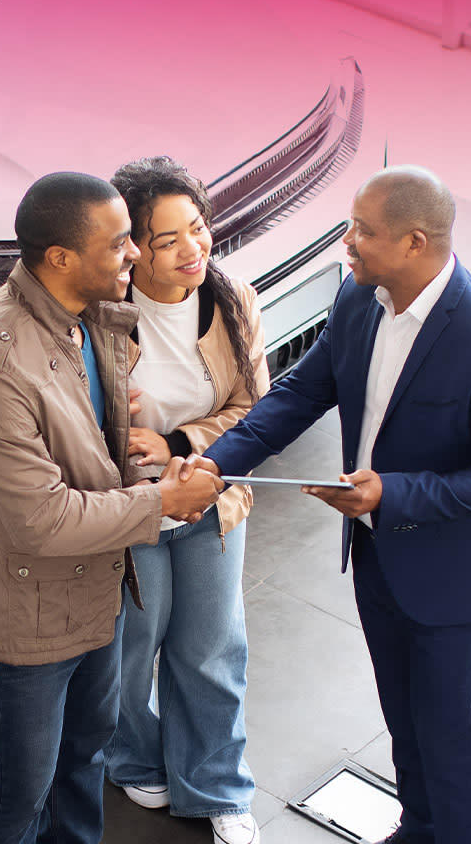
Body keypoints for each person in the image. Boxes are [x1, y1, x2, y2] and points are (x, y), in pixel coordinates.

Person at [187, 165, 471, 844]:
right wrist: (217, 464)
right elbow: (299, 393)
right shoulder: (359, 297)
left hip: (454, 582)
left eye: (363, 231)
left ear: (414, 242)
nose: (347, 243)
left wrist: (391, 492)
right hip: (379, 557)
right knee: (405, 723)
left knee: (452, 744)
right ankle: (417, 829)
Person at [0, 170, 223, 844]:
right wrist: (162, 501)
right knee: (19, 792)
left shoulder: (88, 319)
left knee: (84, 763)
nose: (135, 254)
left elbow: (92, 456)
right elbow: (42, 520)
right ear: (60, 259)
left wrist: (150, 456)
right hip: (27, 621)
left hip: (96, 596)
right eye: (120, 242)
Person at [102, 157, 268, 844]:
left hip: (207, 500)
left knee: (211, 647)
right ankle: (132, 756)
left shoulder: (232, 302)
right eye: (168, 239)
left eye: (197, 229)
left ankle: (217, 786)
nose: (193, 249)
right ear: (133, 247)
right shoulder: (99, 317)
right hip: (130, 510)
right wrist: (120, 434)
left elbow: (253, 409)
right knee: (129, 649)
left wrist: (178, 442)